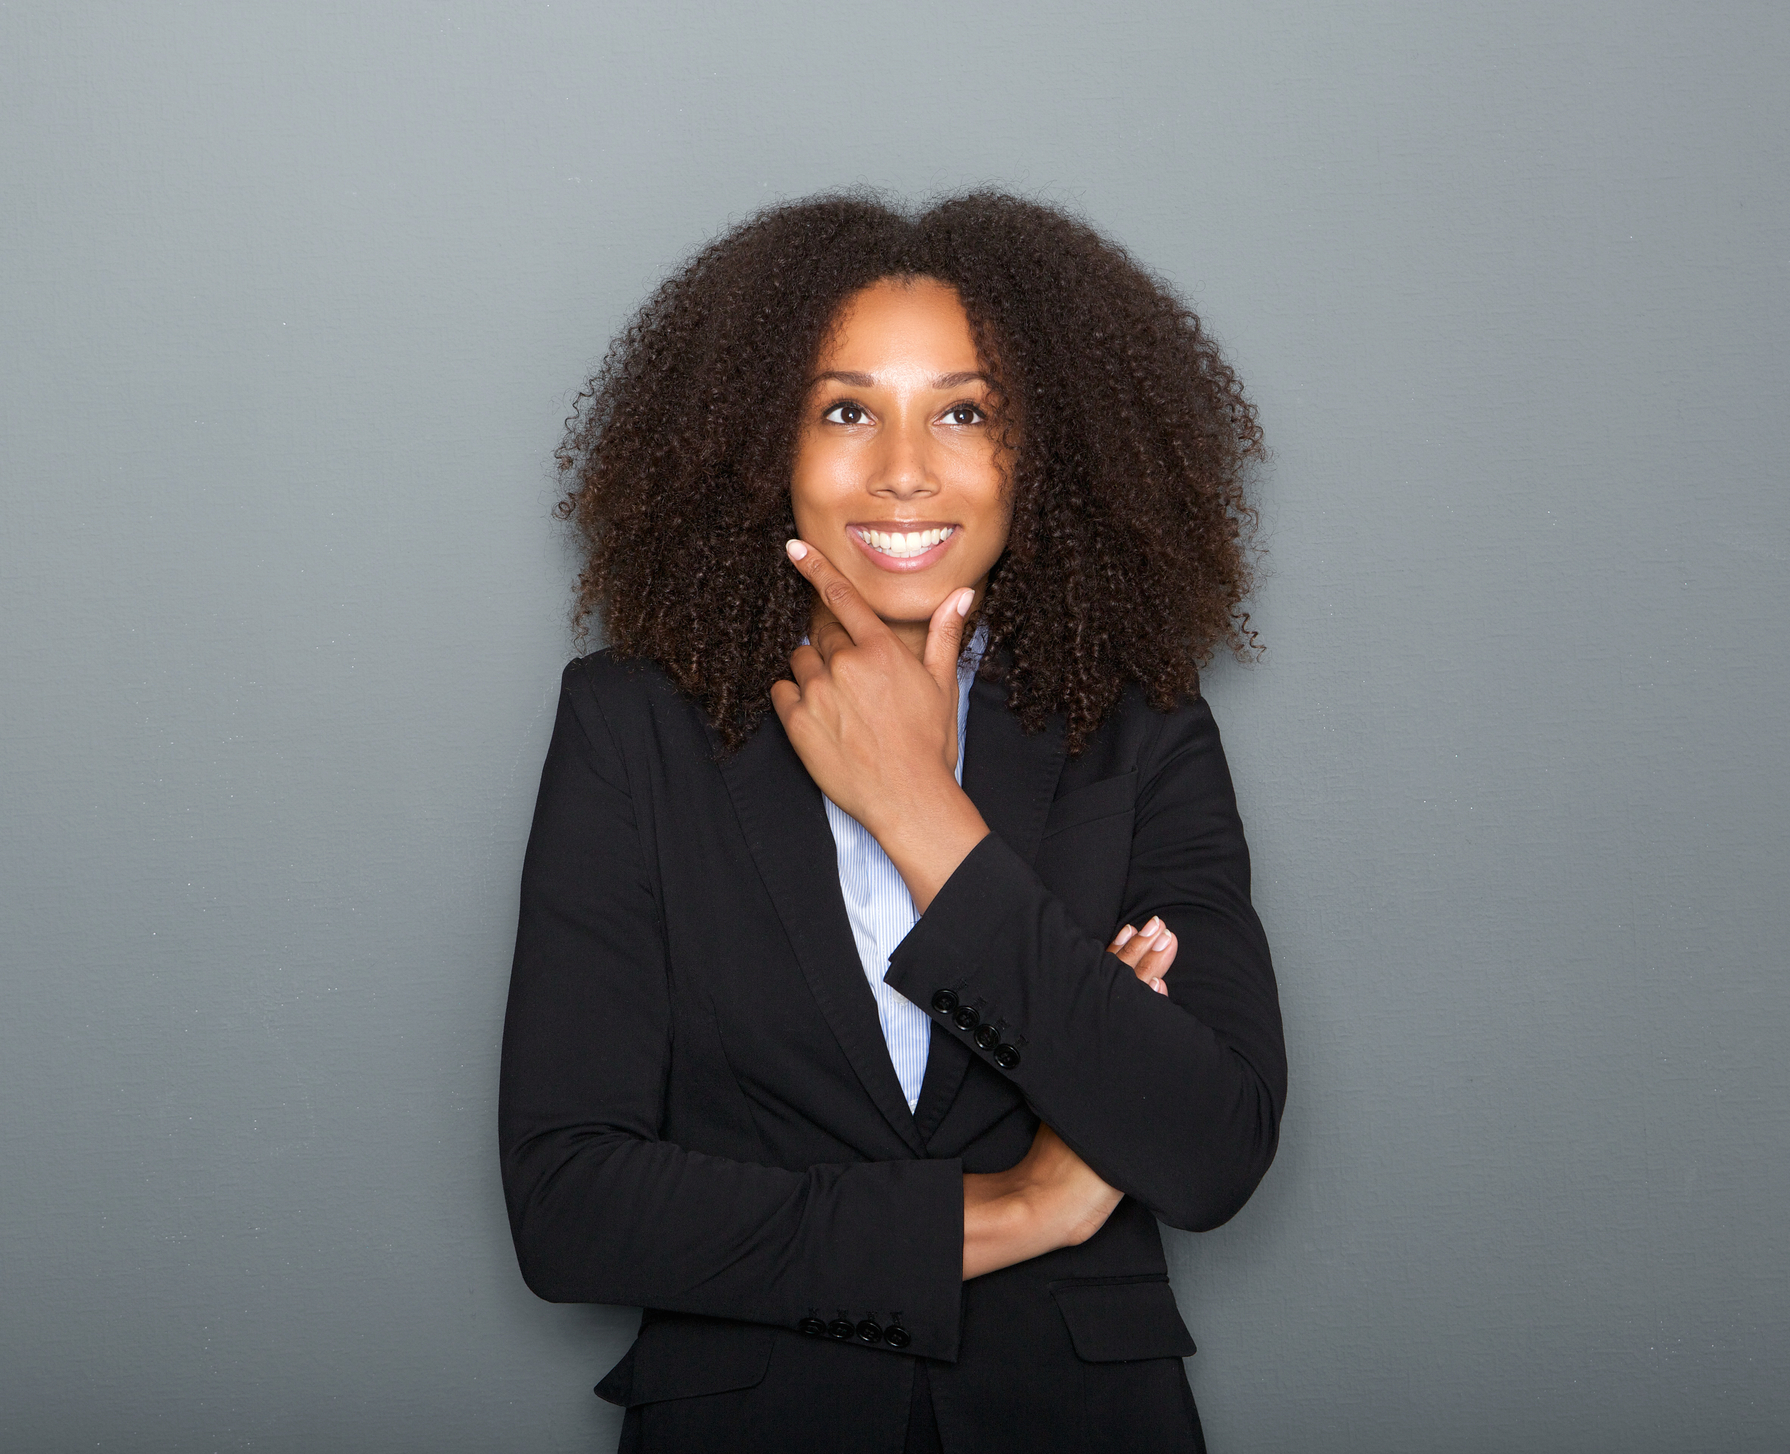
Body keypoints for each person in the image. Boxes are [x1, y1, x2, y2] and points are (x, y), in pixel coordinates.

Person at [500, 191, 1286, 1453]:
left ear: (1043, 456)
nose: (905, 467)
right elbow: (571, 1201)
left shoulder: (1139, 728)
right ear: (766, 447)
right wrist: (1023, 1208)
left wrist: (925, 816)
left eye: (965, 412)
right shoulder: (631, 724)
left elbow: (1210, 1144)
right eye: (846, 409)